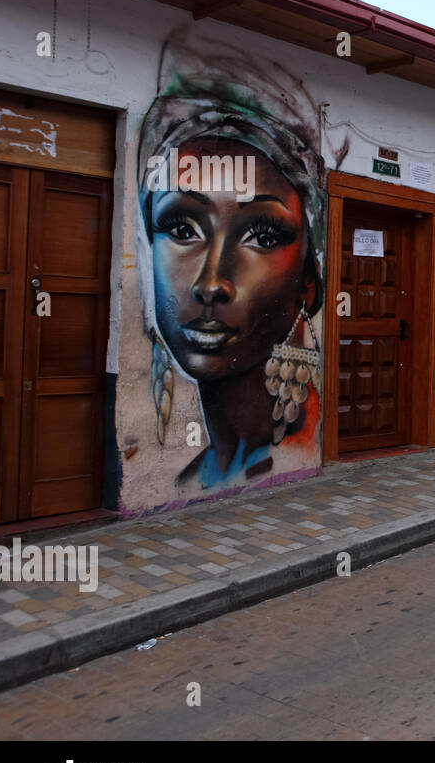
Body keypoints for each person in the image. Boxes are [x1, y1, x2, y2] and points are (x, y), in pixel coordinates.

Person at [138, 32, 327, 488]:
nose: (211, 284)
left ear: (309, 282)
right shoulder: (203, 471)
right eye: (183, 229)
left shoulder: (298, 447)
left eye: (261, 234)